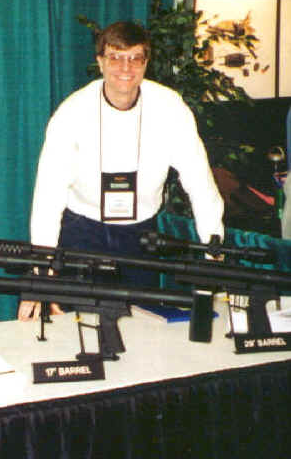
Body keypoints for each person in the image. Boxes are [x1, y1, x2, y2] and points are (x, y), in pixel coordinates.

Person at [19, 21, 224, 320]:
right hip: (83, 233)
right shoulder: (72, 113)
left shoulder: (170, 107)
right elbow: (48, 197)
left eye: (135, 58)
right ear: (100, 62)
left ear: (146, 63)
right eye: (115, 57)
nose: (125, 68)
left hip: (140, 236)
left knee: (141, 325)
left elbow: (201, 184)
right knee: (79, 328)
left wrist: (212, 250)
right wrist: (42, 270)